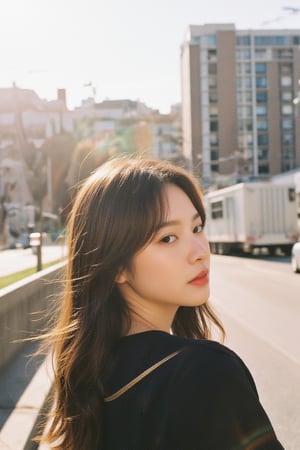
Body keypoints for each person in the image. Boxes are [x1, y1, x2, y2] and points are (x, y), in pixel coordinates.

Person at [38, 157, 284, 450]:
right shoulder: (206, 372)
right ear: (117, 266)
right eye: (167, 238)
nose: (199, 252)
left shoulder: (90, 373)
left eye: (196, 228)